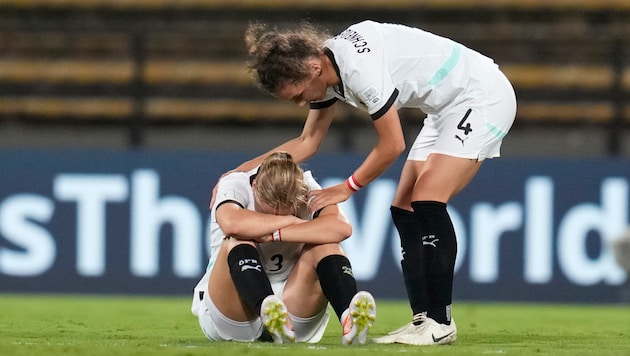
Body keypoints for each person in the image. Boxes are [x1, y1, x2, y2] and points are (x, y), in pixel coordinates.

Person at [232, 20, 517, 345]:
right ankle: (422, 320)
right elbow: (307, 142)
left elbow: (393, 144)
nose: (301, 103)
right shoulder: (326, 71)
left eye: (298, 95)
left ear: (312, 67)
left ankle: (441, 322)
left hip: (481, 96)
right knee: (404, 209)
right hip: (444, 109)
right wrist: (240, 173)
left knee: (427, 199)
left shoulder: (357, 69)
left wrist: (346, 187)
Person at [192, 152, 377, 345]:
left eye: (286, 209)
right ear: (255, 186)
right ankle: (267, 308)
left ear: (299, 195)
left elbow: (341, 228)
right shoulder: (236, 183)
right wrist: (289, 220)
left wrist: (276, 234)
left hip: (293, 306)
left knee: (326, 244)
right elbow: (232, 223)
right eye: (269, 208)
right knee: (236, 240)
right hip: (233, 312)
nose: (278, 213)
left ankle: (349, 319)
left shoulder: (306, 187)